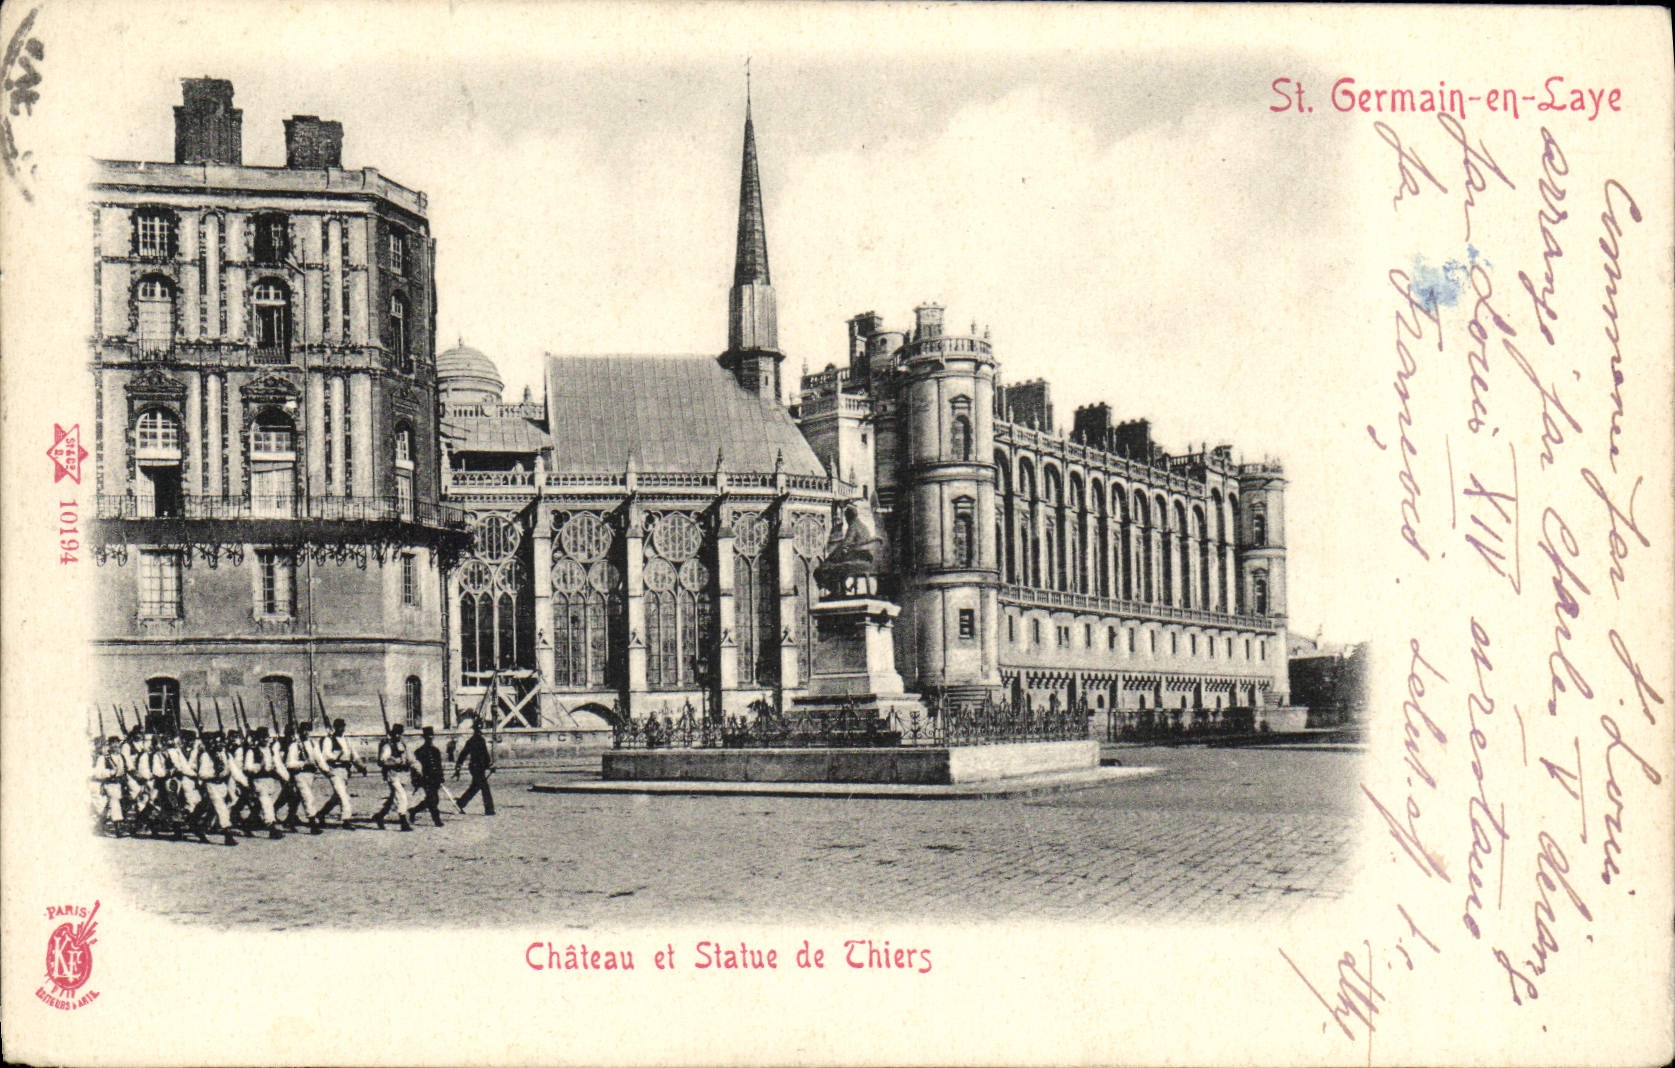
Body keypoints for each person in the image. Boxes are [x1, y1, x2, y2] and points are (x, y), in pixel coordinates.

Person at [313, 718, 362, 828]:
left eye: (343, 726)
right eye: (339, 726)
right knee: (343, 796)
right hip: (335, 770)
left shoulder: (347, 740)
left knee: (336, 797)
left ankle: (321, 814)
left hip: (345, 771)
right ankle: (346, 820)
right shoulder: (329, 740)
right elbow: (326, 755)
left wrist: (361, 766)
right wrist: (337, 756)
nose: (342, 729)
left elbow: (354, 755)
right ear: (335, 727)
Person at [373, 723, 413, 831]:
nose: (398, 736)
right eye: (396, 734)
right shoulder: (387, 745)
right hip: (392, 774)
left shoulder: (402, 744)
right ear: (392, 734)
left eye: (400, 734)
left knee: (394, 799)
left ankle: (380, 816)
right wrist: (396, 762)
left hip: (402, 774)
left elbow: (408, 758)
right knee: (402, 796)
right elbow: (382, 761)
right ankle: (403, 821)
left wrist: (407, 763)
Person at [453, 720, 495, 815]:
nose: (479, 731)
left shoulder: (477, 740)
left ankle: (460, 803)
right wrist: (458, 765)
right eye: (478, 729)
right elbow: (463, 754)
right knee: (484, 788)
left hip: (479, 767)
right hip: (476, 768)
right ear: (475, 730)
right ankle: (489, 809)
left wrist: (489, 765)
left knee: (475, 787)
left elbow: (485, 755)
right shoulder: (472, 741)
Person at [408, 726, 446, 828]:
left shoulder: (436, 751)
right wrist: (415, 780)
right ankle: (437, 820)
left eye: (431, 736)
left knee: (433, 800)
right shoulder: (419, 751)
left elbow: (439, 765)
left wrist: (441, 776)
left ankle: (413, 810)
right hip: (425, 778)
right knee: (432, 799)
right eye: (428, 736)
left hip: (435, 778)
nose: (430, 738)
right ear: (424, 737)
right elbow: (415, 768)